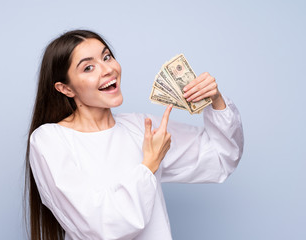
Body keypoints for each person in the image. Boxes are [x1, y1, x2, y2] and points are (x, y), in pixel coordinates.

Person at [25, 29, 244, 240]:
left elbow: (220, 157)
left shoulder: (141, 127)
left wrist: (216, 100)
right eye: (89, 67)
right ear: (66, 89)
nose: (107, 69)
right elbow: (100, 228)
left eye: (107, 57)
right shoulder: (50, 140)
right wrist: (149, 164)